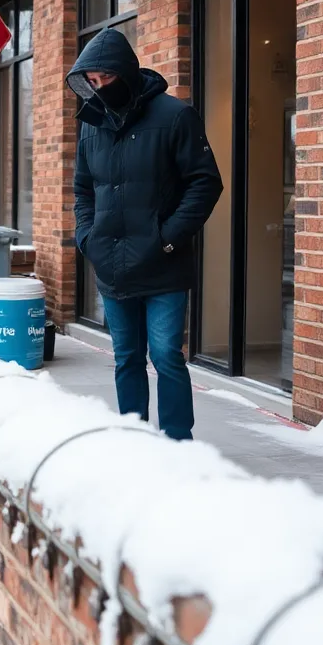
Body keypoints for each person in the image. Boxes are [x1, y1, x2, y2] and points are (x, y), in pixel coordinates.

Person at [70, 28, 223, 441]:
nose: (99, 88)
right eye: (93, 82)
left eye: (106, 78)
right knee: (127, 358)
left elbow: (205, 183)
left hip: (163, 266)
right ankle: (134, 441)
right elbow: (83, 190)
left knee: (167, 357)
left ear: (125, 72)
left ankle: (178, 444)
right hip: (111, 266)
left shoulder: (175, 116)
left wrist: (167, 238)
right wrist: (87, 238)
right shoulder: (92, 125)